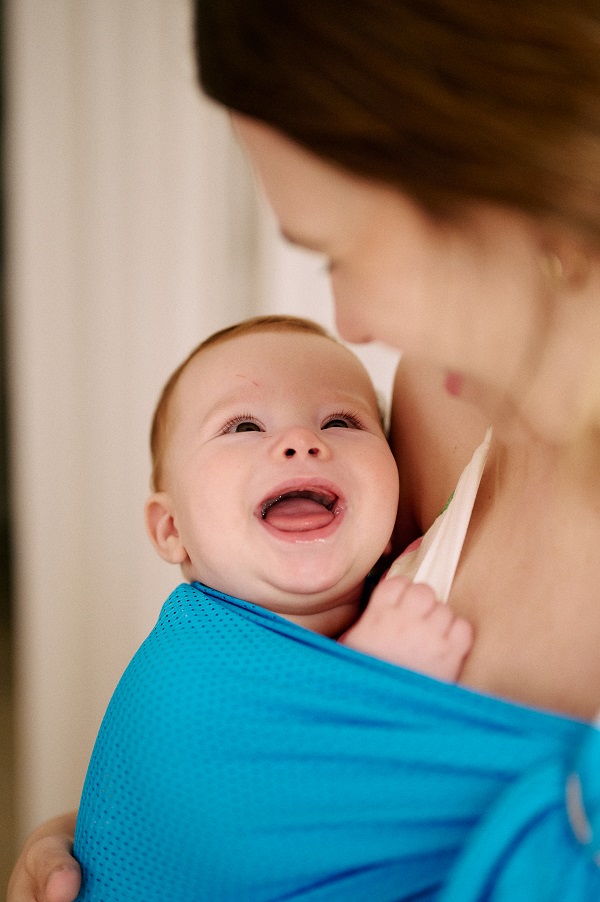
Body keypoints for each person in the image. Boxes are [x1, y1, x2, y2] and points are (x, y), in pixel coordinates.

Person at [8, 0, 600, 899]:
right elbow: (293, 718)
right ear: (165, 528)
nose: (351, 323)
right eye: (244, 427)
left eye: (336, 250)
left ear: (491, 180)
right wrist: (128, 834)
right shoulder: (443, 398)